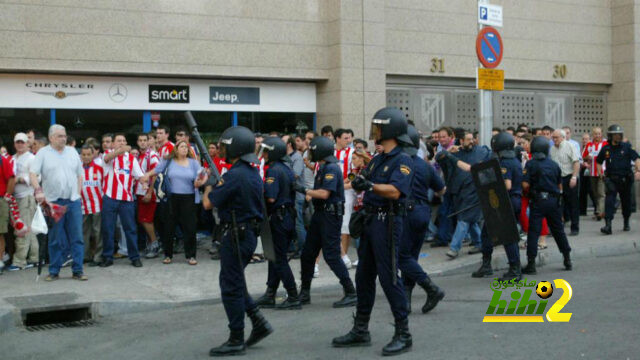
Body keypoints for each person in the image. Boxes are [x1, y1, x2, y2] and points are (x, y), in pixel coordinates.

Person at [332, 107, 413, 356]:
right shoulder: (378, 157)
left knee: (389, 278)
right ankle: (361, 329)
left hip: (387, 222)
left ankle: (403, 333)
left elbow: (396, 191)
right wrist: (357, 182)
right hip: (369, 222)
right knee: (363, 277)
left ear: (390, 130)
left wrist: (370, 185)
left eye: (379, 128)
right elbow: (362, 178)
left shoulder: (403, 160)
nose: (375, 132)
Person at [207, 126, 272, 356]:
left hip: (237, 235)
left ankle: (236, 338)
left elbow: (209, 202)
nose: (221, 150)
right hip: (243, 234)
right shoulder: (249, 171)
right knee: (235, 282)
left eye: (224, 146)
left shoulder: (235, 174)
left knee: (230, 286)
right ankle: (258, 322)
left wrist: (210, 181)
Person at [295, 136, 357, 308]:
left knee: (331, 255)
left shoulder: (331, 168)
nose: (311, 152)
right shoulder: (323, 167)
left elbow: (324, 194)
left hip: (330, 216)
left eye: (313, 149)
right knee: (308, 253)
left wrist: (303, 189)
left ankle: (351, 291)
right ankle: (305, 292)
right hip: (320, 214)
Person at [30, 124, 87, 281]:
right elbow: (33, 173)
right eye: (60, 136)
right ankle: (54, 271)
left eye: (64, 135)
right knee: (55, 238)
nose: (64, 138)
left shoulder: (72, 152)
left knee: (77, 237)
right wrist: (38, 190)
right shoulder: (43, 153)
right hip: (53, 202)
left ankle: (78, 270)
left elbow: (80, 174)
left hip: (73, 201)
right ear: (51, 138)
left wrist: (78, 192)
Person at [400, 125, 446, 314]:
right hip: (422, 211)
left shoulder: (399, 163)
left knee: (401, 257)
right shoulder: (424, 165)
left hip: (406, 212)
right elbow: (441, 189)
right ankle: (406, 301)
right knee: (411, 257)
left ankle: (431, 288)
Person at [254, 137, 301, 310]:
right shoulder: (285, 168)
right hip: (287, 216)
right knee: (274, 257)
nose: (264, 154)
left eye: (266, 151)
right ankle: (270, 294)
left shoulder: (273, 170)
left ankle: (293, 295)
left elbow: (271, 197)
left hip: (278, 218)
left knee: (278, 258)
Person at [141, 141, 207, 264]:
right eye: (182, 147)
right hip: (172, 198)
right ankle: (168, 255)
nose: (184, 149)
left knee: (190, 227)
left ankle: (191, 256)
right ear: (176, 149)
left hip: (189, 198)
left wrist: (200, 182)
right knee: (169, 227)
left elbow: (203, 175)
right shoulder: (169, 161)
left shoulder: (193, 163)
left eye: (186, 147)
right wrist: (146, 175)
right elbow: (157, 169)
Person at [471, 132, 524, 281]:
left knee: (508, 237)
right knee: (487, 233)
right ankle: (487, 265)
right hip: (512, 201)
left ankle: (515, 270)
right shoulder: (515, 160)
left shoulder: (505, 162)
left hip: (506, 202)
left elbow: (507, 185)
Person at [521, 136, 573, 274]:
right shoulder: (554, 165)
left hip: (538, 201)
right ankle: (567, 258)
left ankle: (531, 264)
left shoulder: (531, 164)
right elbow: (559, 184)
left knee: (534, 232)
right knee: (558, 230)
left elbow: (525, 184)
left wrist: (529, 190)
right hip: (553, 201)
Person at [438, 131, 491, 258]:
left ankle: (454, 248)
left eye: (472, 139)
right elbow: (438, 157)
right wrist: (448, 152)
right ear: (461, 141)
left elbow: (490, 157)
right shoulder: (456, 152)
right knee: (471, 220)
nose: (471, 141)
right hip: (458, 192)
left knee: (464, 219)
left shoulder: (481, 151)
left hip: (474, 191)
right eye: (468, 139)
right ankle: (479, 243)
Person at [99, 133, 144, 268]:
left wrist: (145, 181)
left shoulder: (131, 158)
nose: (122, 142)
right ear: (113, 144)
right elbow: (107, 158)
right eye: (119, 141)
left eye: (124, 140)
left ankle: (134, 257)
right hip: (110, 197)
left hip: (127, 199)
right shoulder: (107, 154)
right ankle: (107, 257)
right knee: (108, 228)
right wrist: (120, 150)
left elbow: (140, 175)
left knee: (130, 229)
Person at [596, 125, 640, 234]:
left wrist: (638, 170)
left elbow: (637, 158)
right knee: (609, 201)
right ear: (610, 136)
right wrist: (601, 175)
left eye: (619, 134)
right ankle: (608, 225)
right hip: (611, 180)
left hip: (625, 180)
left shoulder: (627, 147)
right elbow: (598, 162)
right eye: (615, 134)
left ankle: (626, 222)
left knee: (626, 202)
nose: (618, 136)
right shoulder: (606, 149)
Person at [8, 133, 38, 271]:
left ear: (27, 143)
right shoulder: (12, 158)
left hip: (26, 197)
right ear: (14, 144)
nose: (20, 144)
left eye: (22, 142)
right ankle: (34, 258)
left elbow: (38, 176)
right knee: (29, 230)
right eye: (17, 142)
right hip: (14, 197)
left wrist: (21, 179)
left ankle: (19, 261)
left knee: (22, 230)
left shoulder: (32, 158)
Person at [550, 129, 580, 236]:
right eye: (553, 137)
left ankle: (575, 227)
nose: (554, 139)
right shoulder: (552, 149)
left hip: (569, 177)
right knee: (558, 204)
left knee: (572, 204)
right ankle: (559, 228)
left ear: (562, 137)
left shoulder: (570, 146)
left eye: (556, 137)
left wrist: (574, 177)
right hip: (558, 179)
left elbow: (576, 162)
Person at [135, 133, 160, 258]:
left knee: (146, 220)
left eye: (145, 140)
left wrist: (150, 192)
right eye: (140, 140)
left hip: (149, 193)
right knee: (143, 219)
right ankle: (151, 244)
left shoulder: (152, 155)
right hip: (139, 192)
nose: (143, 142)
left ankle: (155, 245)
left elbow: (155, 174)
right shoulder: (139, 156)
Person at [334, 128, 356, 269]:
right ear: (337, 139)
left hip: (347, 192)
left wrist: (345, 182)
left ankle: (343, 256)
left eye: (350, 138)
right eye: (346, 138)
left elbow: (354, 172)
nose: (349, 141)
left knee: (345, 226)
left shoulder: (352, 153)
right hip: (331, 191)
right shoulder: (330, 152)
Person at [80, 144, 103, 266]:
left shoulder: (99, 168)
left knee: (98, 232)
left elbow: (104, 186)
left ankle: (98, 257)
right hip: (83, 206)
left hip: (97, 205)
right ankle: (85, 256)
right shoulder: (77, 169)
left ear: (93, 155)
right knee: (84, 232)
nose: (86, 157)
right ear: (80, 156)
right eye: (84, 154)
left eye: (89, 154)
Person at [582, 127, 607, 220]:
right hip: (592, 172)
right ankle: (600, 210)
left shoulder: (605, 144)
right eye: (596, 134)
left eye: (599, 133)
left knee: (601, 193)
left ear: (601, 134)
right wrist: (587, 157)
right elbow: (583, 156)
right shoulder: (589, 144)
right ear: (593, 134)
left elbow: (609, 156)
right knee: (595, 193)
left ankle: (600, 213)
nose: (597, 135)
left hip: (602, 172)